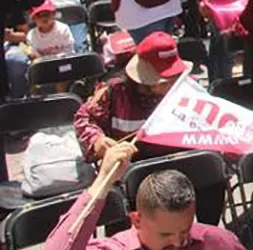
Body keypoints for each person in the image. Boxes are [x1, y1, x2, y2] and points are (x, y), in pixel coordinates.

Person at [39, 142, 253, 250]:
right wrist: (102, 181)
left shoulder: (221, 244)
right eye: (165, 234)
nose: (177, 243)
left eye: (184, 231)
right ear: (136, 220)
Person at [74, 32, 190, 162]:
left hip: (178, 161)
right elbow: (85, 117)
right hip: (128, 165)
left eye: (173, 77)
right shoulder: (115, 92)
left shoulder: (189, 90)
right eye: (163, 81)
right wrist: (96, 140)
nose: (170, 84)